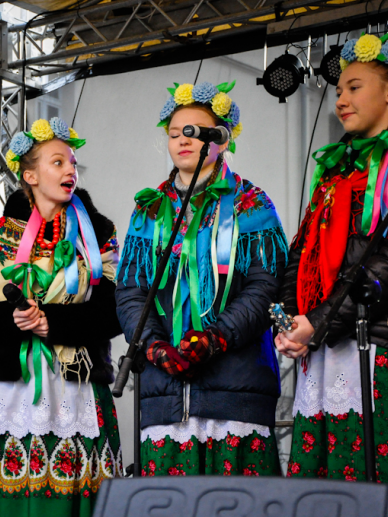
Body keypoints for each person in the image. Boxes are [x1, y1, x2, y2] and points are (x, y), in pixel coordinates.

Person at [276, 31, 388, 513]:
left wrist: (318, 322)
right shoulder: (337, 169)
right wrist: (291, 321)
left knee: (384, 491)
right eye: (338, 90)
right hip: (326, 348)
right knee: (325, 495)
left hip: (386, 349)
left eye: (353, 87)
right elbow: (301, 251)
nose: (340, 99)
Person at [116, 81, 288, 477]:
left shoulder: (251, 203)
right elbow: (131, 292)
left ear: (221, 138)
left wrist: (215, 338)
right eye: (175, 133)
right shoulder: (149, 210)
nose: (182, 140)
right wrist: (155, 346)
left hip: (234, 393)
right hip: (164, 397)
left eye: (194, 131)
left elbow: (266, 286)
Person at [0, 117, 123, 517]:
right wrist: (20, 319)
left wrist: (50, 322)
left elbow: (114, 311)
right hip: (15, 386)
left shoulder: (98, 234)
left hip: (80, 383)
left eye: (72, 162)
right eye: (58, 162)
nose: (71, 170)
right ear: (30, 174)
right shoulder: (0, 235)